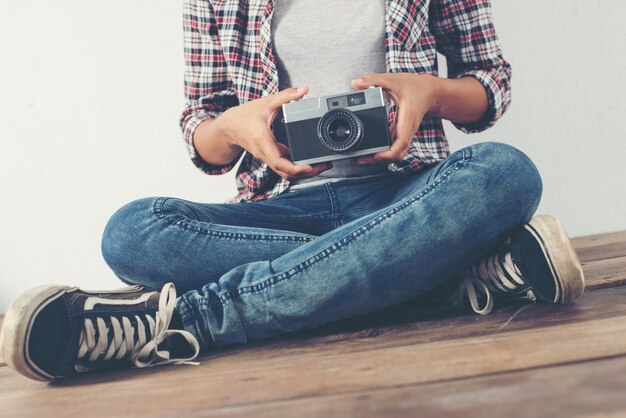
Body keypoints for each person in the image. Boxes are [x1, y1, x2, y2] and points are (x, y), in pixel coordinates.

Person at [0, 0, 584, 382]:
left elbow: (491, 81)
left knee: (505, 172)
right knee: (131, 230)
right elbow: (202, 130)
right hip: (282, 209)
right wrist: (233, 127)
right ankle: (440, 272)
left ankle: (191, 322)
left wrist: (431, 92)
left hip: (407, 192)